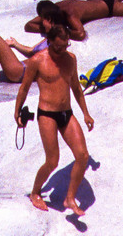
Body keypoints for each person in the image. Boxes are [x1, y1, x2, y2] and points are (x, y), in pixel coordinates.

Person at [15, 26, 94, 217]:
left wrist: (85, 113)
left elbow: (75, 87)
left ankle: (69, 198)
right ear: (49, 42)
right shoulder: (37, 61)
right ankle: (35, 192)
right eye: (57, 47)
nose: (61, 51)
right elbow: (24, 88)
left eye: (65, 46)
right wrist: (17, 112)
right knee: (52, 161)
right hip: (47, 115)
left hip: (66, 113)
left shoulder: (70, 59)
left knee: (83, 156)